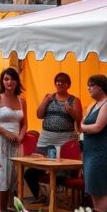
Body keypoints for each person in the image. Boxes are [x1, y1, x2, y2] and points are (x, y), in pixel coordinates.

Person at [24, 72, 83, 202]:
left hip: (65, 140)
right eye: (57, 81)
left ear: (68, 84)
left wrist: (71, 111)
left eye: (63, 81)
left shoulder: (74, 100)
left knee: (61, 171)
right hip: (46, 139)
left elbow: (80, 121)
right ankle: (41, 196)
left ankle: (57, 200)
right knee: (32, 171)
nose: (59, 83)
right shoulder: (49, 97)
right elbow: (39, 114)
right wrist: (46, 100)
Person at [0, 68, 27, 212]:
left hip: (15, 142)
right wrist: (5, 133)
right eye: (6, 79)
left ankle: (7, 206)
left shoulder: (22, 100)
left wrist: (21, 136)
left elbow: (24, 123)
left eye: (12, 79)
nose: (9, 82)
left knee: (12, 175)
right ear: (2, 81)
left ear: (17, 81)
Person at [80, 74, 107, 212]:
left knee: (98, 190)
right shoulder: (93, 105)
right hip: (90, 152)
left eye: (91, 85)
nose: (88, 88)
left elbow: (97, 127)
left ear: (101, 87)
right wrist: (83, 127)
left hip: (101, 152)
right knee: (99, 189)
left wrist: (83, 128)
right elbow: (82, 123)